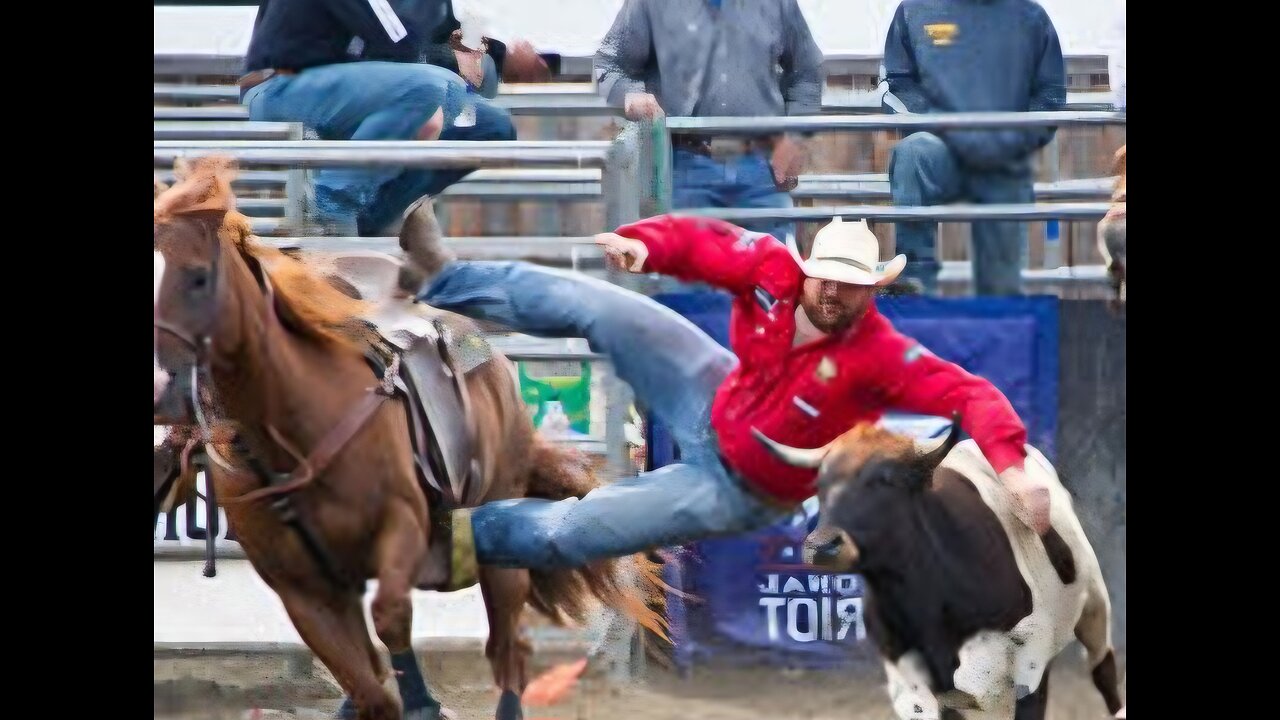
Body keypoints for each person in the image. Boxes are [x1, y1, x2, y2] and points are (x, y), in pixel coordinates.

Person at [398, 203, 1052, 570]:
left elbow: (971, 395)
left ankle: (444, 542)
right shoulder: (771, 269)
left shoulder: (881, 356)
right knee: (598, 304)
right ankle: (444, 281)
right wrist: (646, 246)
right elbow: (701, 243)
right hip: (714, 390)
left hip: (742, 490)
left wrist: (1015, 469)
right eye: (824, 276)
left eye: (849, 284)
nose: (831, 292)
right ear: (808, 269)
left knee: (576, 531)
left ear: (872, 289)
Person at [238, 0, 517, 237]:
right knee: (433, 86)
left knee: (489, 126)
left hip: (355, 91)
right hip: (283, 88)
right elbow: (400, 44)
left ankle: (365, 220)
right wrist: (457, 62)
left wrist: (498, 56)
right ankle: (326, 212)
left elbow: (441, 38)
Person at [594, 0, 824, 244]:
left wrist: (795, 136)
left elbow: (807, 71)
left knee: (770, 274)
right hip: (684, 167)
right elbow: (610, 65)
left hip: (760, 171)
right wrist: (631, 96)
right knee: (689, 275)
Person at [881, 0, 1066, 296]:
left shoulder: (1031, 16)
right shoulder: (914, 10)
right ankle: (913, 287)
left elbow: (1051, 96)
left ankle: (1002, 304)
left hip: (1003, 155)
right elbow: (896, 87)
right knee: (912, 153)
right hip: (938, 147)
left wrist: (1008, 140)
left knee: (1003, 289)